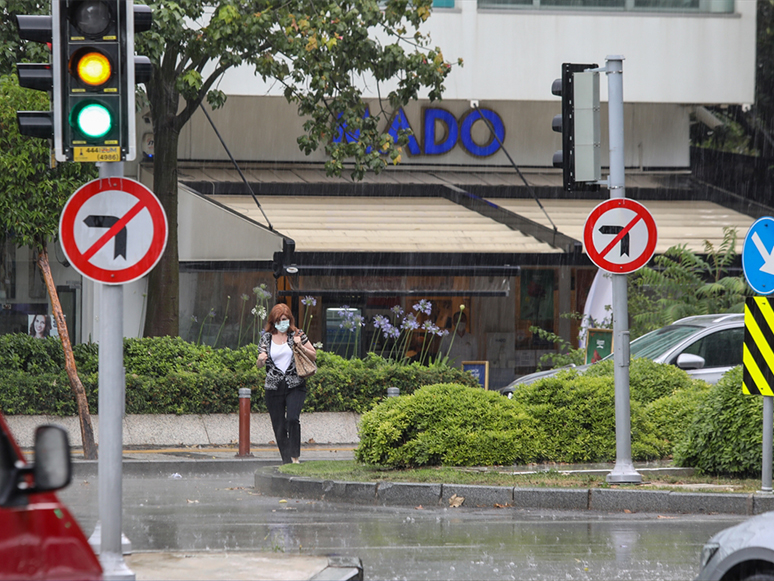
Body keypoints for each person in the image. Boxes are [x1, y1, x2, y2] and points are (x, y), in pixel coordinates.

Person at [256, 303, 316, 464]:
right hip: (274, 387)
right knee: (279, 425)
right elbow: (260, 362)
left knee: (292, 418)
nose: (282, 323)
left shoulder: (297, 334)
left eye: (285, 319)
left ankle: (295, 456)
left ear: (289, 320)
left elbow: (313, 355)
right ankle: (286, 461)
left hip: (295, 384)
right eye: (278, 320)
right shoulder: (266, 338)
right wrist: (260, 360)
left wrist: (300, 345)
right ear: (273, 321)